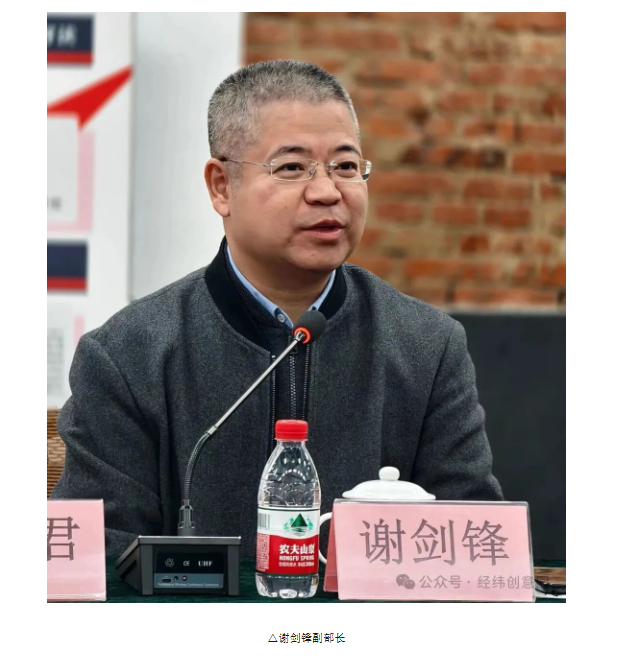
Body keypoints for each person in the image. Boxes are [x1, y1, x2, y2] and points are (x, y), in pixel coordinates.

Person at [52, 60, 503, 558]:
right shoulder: (128, 355)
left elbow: (474, 546)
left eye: (346, 166)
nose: (327, 191)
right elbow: (99, 560)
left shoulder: (427, 345)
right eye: (291, 168)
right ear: (221, 186)